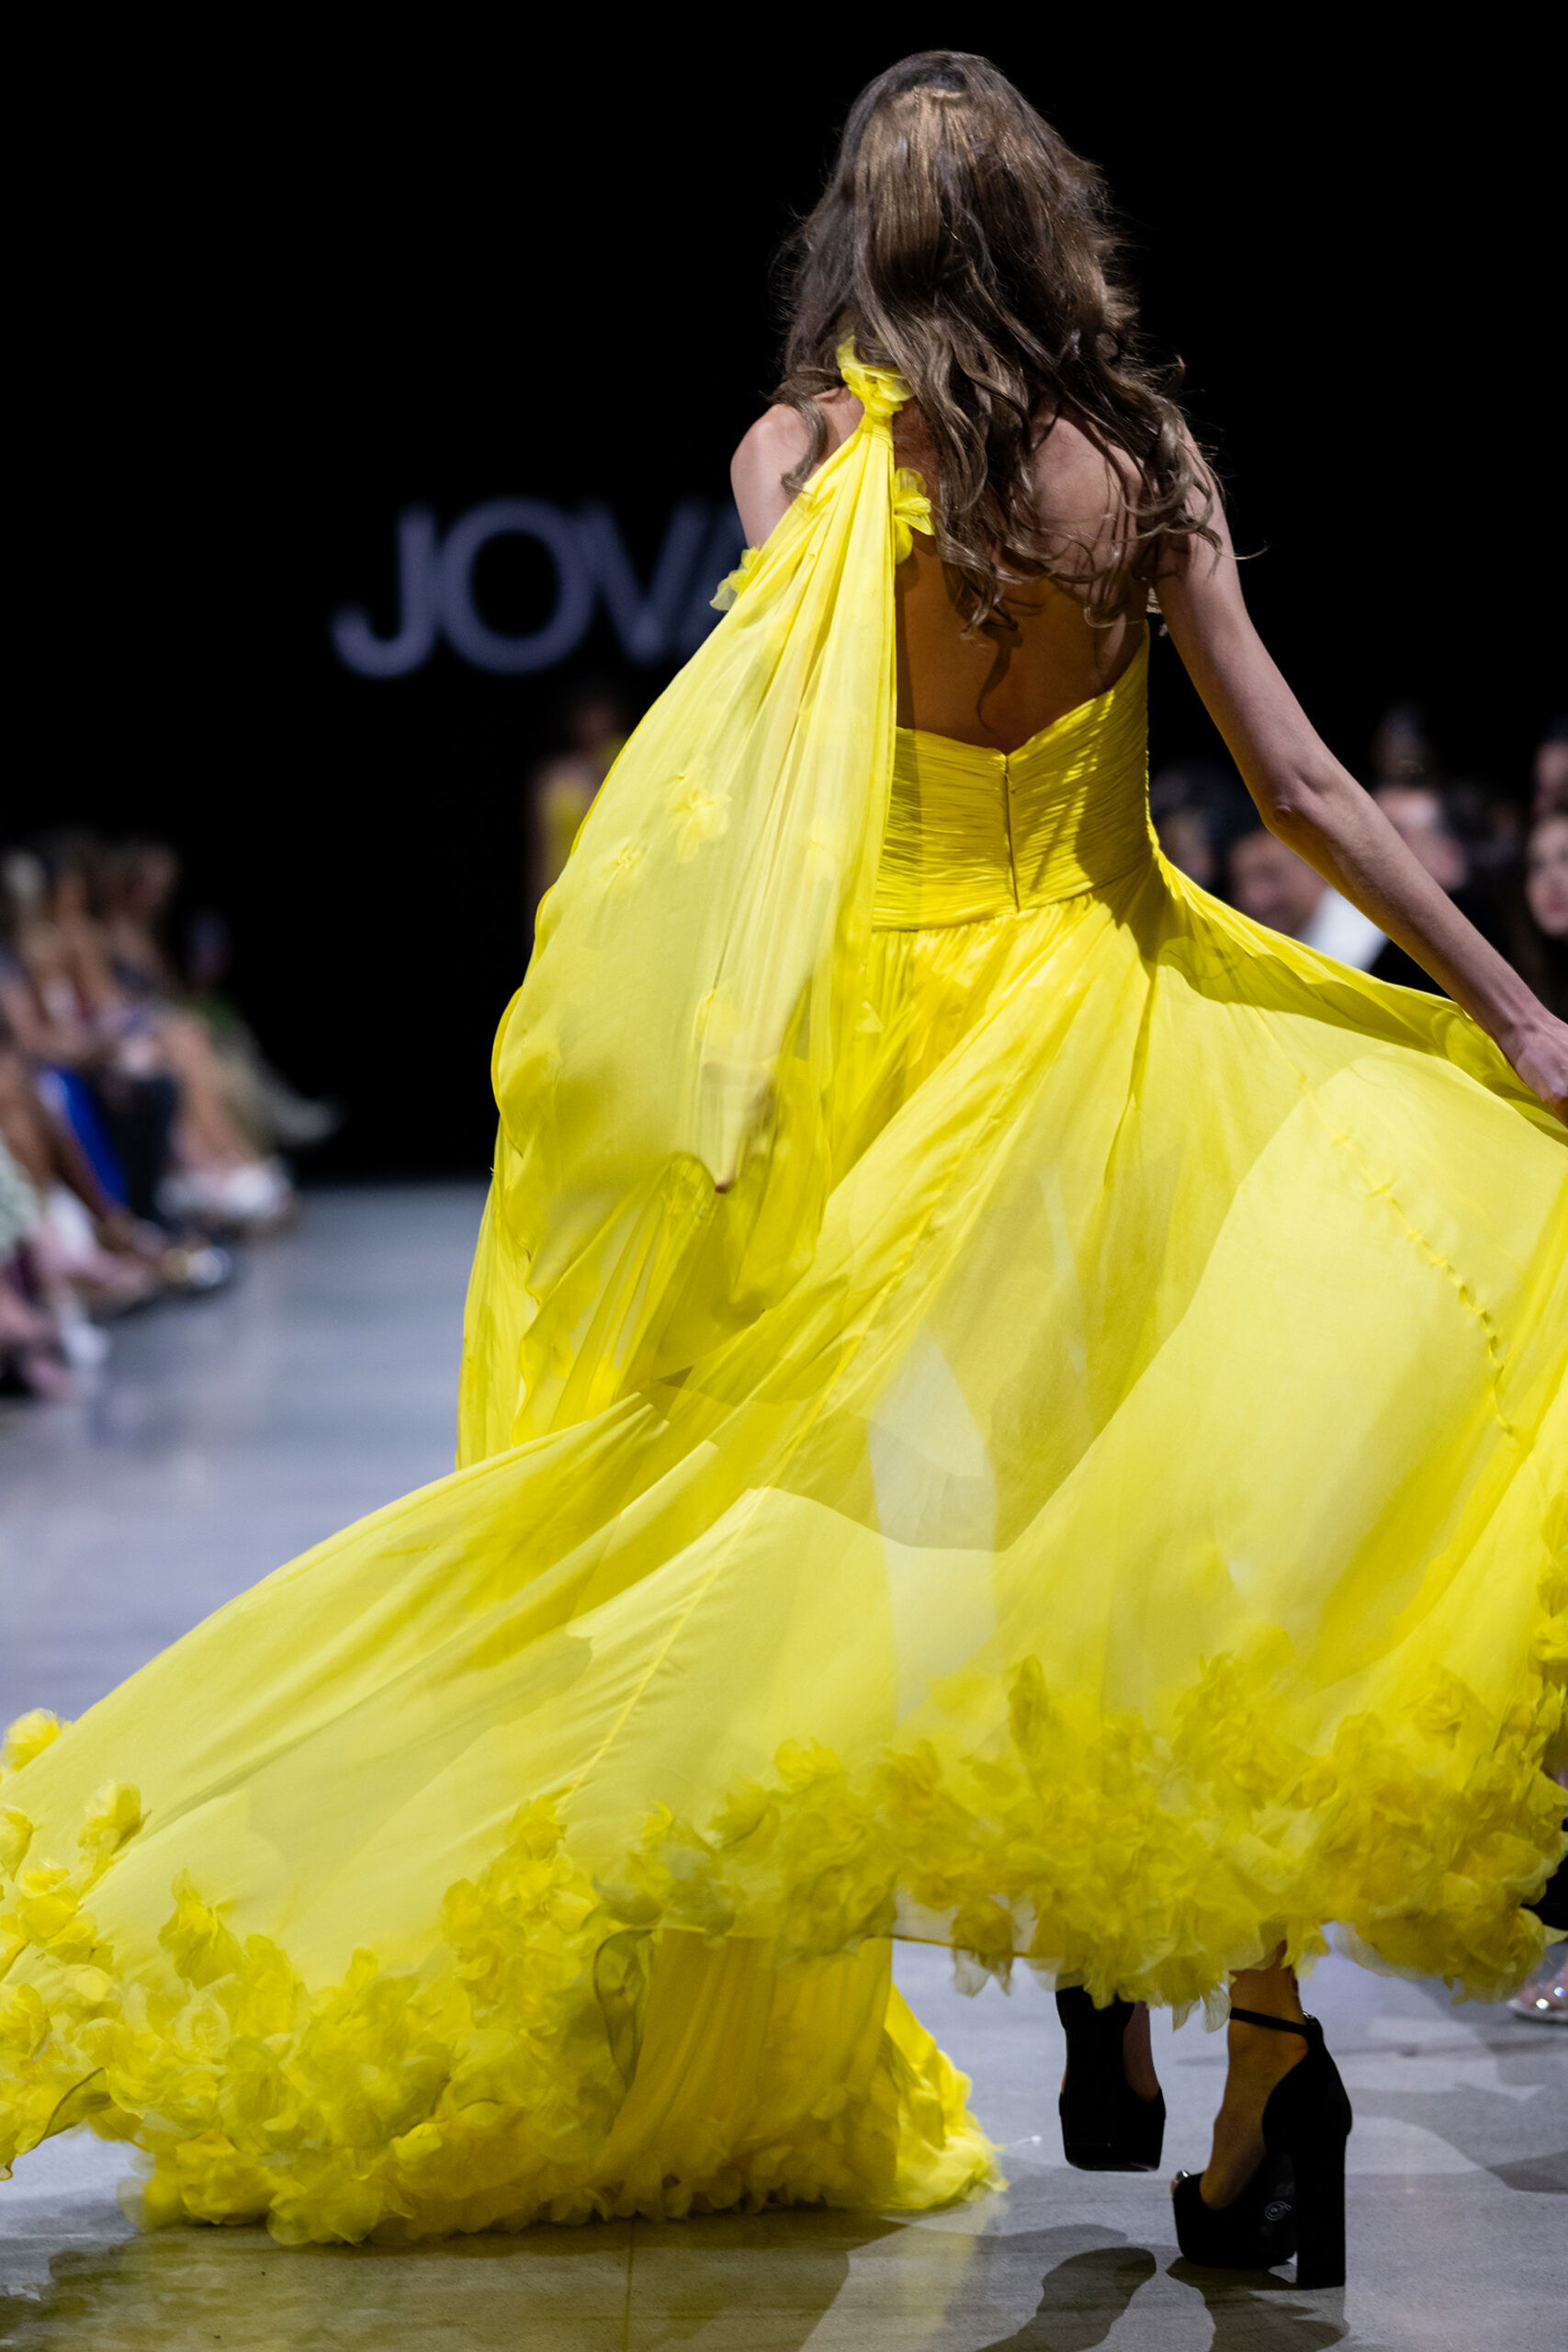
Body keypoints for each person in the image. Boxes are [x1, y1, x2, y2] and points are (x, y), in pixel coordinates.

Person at [2, 53, 1563, 2294]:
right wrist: (1507, 1013)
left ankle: (1107, 1984)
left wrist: (707, 1072)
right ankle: (1249, 2043)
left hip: (893, 1078)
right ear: (1044, 228)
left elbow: (772, 782)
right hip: (1118, 1037)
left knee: (906, 1531)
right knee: (1162, 1530)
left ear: (861, 237)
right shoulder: (1139, 466)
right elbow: (1298, 783)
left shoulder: (806, 461)